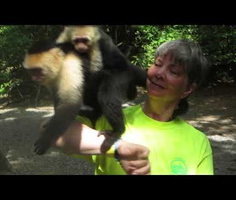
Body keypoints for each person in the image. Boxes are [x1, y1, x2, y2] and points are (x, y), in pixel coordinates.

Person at [53, 39, 214, 175]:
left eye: (173, 71)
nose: (160, 73)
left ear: (187, 89)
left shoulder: (199, 142)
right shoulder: (110, 119)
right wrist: (117, 147)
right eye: (158, 64)